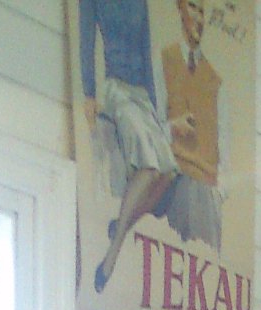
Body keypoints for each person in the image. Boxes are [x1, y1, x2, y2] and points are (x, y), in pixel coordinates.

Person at [78, 0, 177, 292]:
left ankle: (121, 224)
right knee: (148, 167)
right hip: (116, 89)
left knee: (168, 171)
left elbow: (146, 52)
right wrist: (89, 92)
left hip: (142, 95)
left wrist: (156, 111)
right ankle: (111, 257)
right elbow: (86, 40)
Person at [158, 0, 224, 250]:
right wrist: (172, 127)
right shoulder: (164, 61)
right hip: (173, 180)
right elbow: (153, 127)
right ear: (180, 8)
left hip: (206, 189)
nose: (198, 18)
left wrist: (218, 192)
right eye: (193, 7)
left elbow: (225, 145)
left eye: (202, 12)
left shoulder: (215, 80)